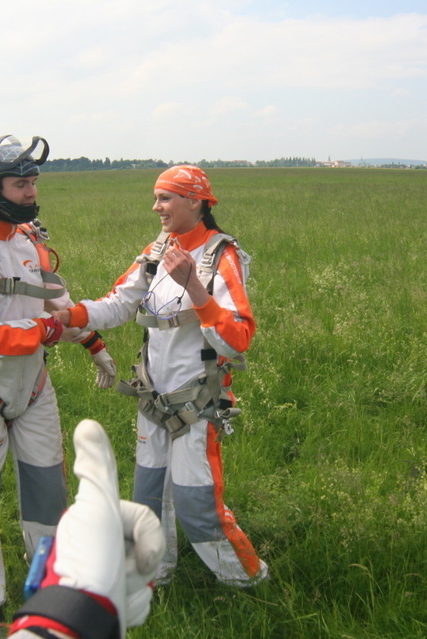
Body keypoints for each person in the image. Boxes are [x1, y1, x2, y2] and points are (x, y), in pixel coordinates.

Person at [0, 135, 118, 632]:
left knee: (47, 497)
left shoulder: (30, 239)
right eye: (19, 183)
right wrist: (45, 332)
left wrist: (94, 345)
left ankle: (48, 590)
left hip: (33, 390)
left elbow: (58, 301)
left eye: (33, 182)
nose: (30, 191)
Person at [53, 165, 268, 587]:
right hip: (152, 401)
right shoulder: (157, 252)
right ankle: (154, 577)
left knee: (196, 504)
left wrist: (197, 290)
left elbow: (237, 337)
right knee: (149, 498)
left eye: (165, 198)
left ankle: (248, 581)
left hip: (197, 404)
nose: (156, 207)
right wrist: (72, 315)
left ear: (195, 201)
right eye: (156, 198)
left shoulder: (220, 256)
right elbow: (118, 303)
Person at [0, 419, 166, 639]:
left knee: (46, 495)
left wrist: (74, 608)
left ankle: (51, 574)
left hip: (31, 385)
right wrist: (80, 610)